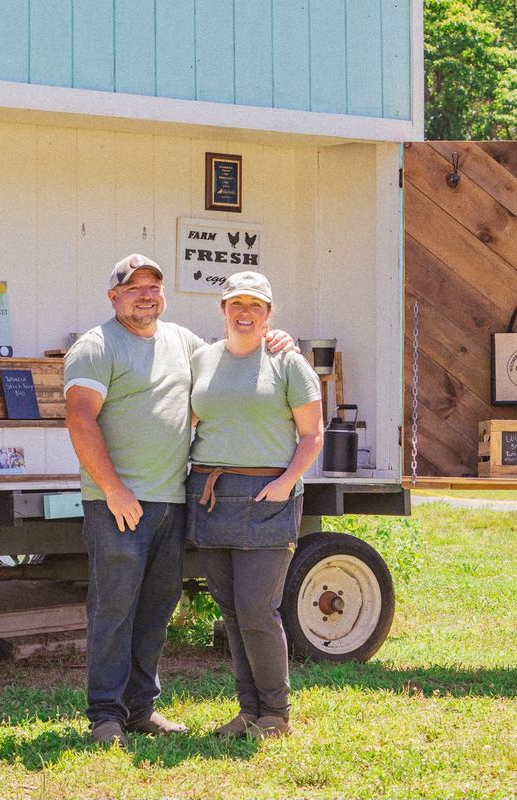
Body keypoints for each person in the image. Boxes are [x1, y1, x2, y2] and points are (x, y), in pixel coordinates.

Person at [63, 254, 293, 747]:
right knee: (113, 608)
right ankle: (105, 715)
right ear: (114, 297)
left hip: (172, 501)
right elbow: (80, 420)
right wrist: (114, 489)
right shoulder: (96, 347)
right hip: (117, 504)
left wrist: (278, 340)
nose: (145, 295)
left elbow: (234, 354)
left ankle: (141, 709)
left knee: (156, 608)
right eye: (134, 288)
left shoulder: (183, 342)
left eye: (153, 287)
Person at [185, 271, 323, 740]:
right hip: (210, 494)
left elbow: (312, 434)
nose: (245, 313)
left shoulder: (288, 363)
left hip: (268, 495)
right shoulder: (201, 359)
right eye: (236, 304)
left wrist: (288, 482)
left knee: (257, 610)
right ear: (223, 309)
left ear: (269, 314)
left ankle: (276, 716)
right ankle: (249, 712)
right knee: (230, 612)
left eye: (256, 306)